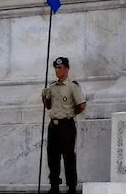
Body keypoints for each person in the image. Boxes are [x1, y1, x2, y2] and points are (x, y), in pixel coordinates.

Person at [41, 57, 86, 194]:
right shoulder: (52, 86)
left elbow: (81, 105)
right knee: (52, 157)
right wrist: (44, 97)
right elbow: (48, 106)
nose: (57, 70)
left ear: (67, 68)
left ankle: (71, 187)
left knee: (68, 157)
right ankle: (54, 185)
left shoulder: (72, 85)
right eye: (56, 68)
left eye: (60, 68)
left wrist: (70, 114)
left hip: (66, 125)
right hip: (53, 126)